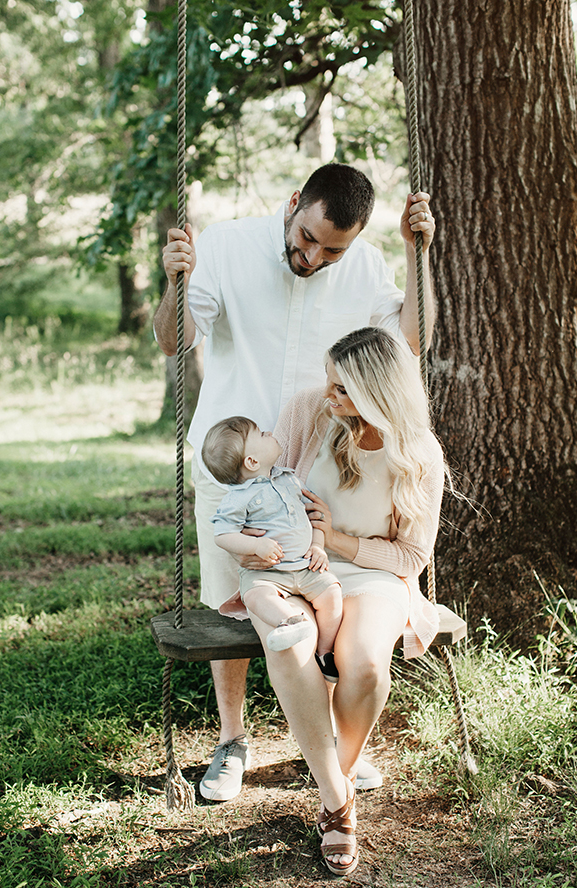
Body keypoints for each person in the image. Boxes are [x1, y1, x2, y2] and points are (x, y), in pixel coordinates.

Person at [154, 162, 436, 803]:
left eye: (332, 249)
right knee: (229, 603)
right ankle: (232, 739)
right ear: (292, 205)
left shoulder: (363, 267)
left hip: (316, 465)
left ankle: (339, 743)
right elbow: (174, 340)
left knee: (322, 594)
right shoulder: (224, 246)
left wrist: (419, 257)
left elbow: (410, 341)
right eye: (307, 238)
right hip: (234, 466)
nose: (313, 256)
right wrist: (176, 282)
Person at [250, 326, 445, 876]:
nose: (329, 396)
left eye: (343, 389)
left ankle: (338, 767)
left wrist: (337, 541)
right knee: (289, 644)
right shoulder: (310, 412)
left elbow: (410, 558)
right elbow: (262, 485)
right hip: (294, 567)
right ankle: (337, 801)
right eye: (330, 382)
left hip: (372, 574)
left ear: (379, 393)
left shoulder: (418, 453)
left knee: (365, 669)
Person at [202, 415, 343, 677]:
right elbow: (222, 535)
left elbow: (311, 518)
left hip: (305, 566)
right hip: (266, 573)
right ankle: (290, 622)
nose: (269, 432)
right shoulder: (238, 498)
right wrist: (255, 546)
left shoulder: (289, 480)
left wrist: (319, 545)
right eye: (262, 434)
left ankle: (324, 653)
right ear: (252, 462)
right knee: (255, 596)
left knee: (333, 594)